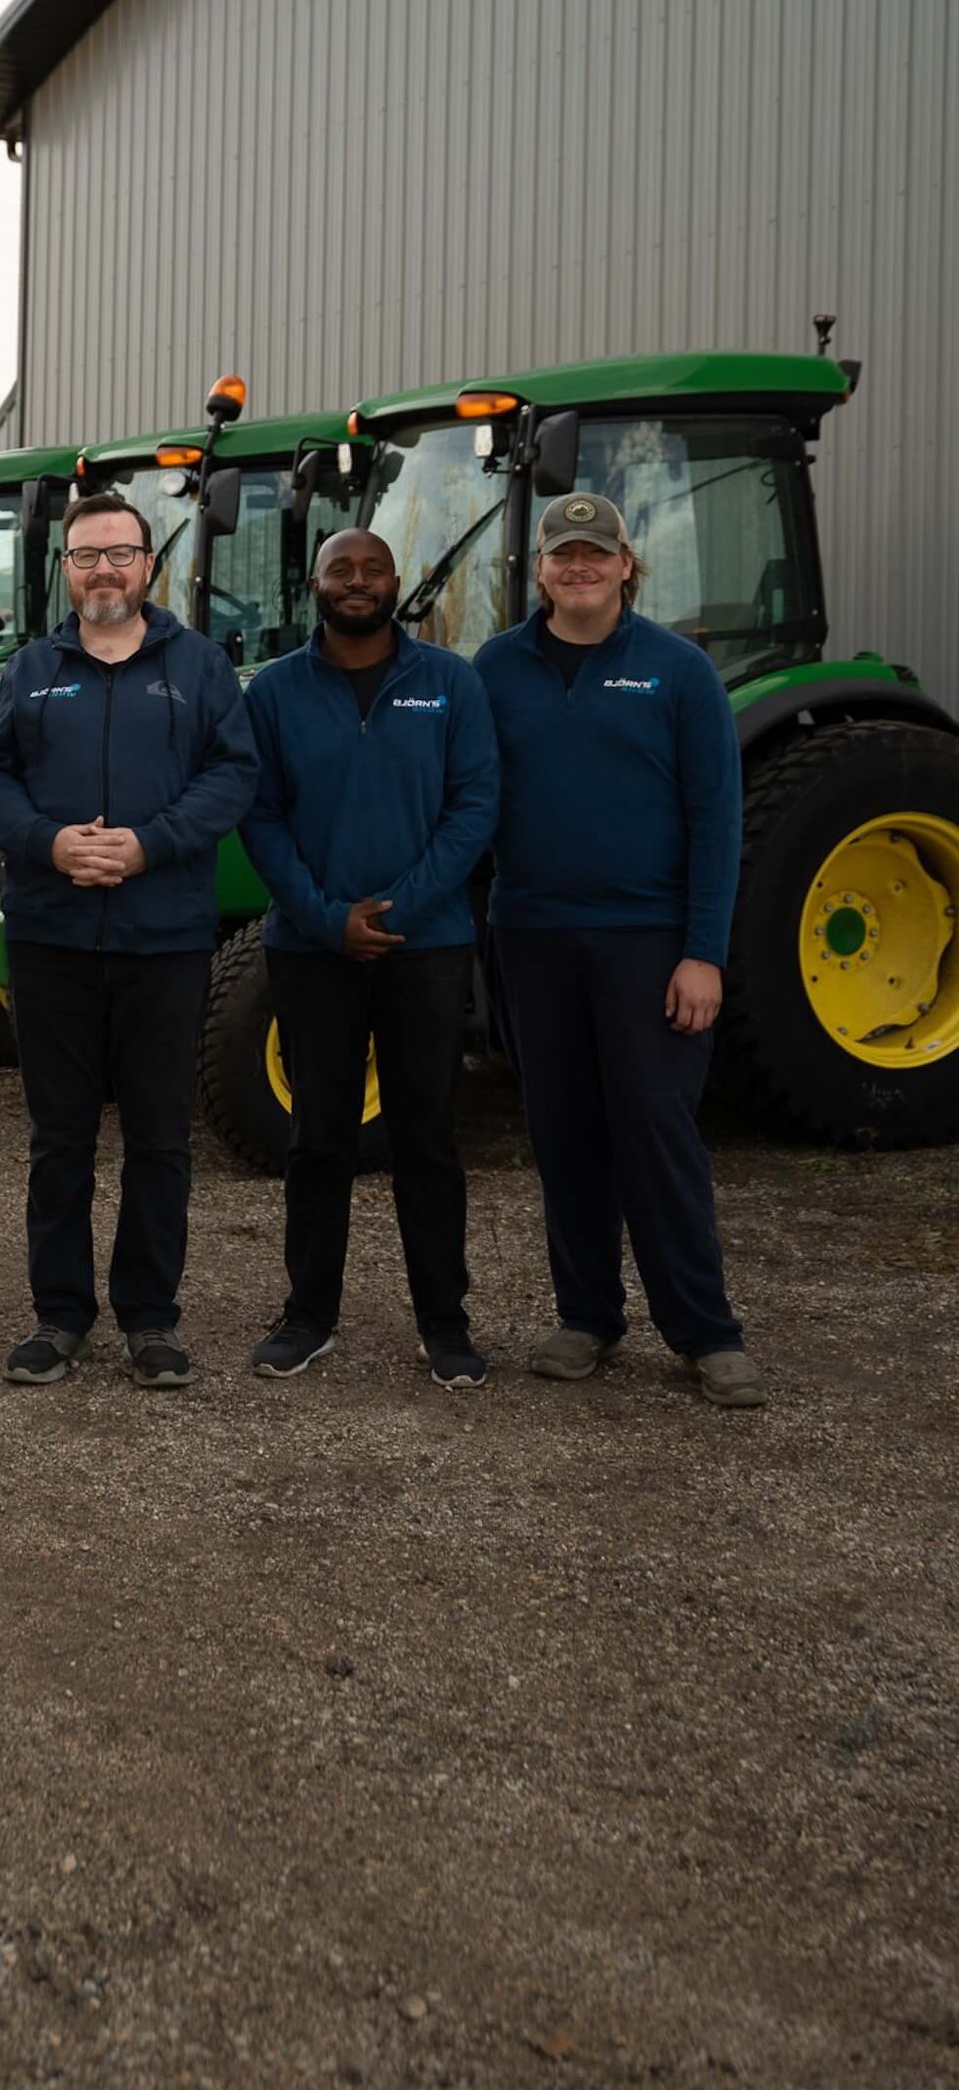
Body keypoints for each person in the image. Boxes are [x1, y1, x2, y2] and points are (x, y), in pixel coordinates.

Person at [475, 492, 768, 1408]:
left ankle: (705, 1332)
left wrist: (704, 953)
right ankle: (587, 1318)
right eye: (564, 555)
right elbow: (468, 800)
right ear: (542, 570)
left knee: (656, 1132)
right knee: (563, 1135)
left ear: (626, 564)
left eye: (596, 553)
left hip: (649, 945)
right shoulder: (495, 668)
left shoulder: (679, 673)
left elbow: (717, 824)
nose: (580, 567)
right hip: (531, 938)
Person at [0, 491, 258, 1390]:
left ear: (148, 565)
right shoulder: (32, 671)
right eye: (86, 556)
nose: (102, 571)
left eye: (119, 554)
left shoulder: (199, 666)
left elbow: (233, 773)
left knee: (161, 1138)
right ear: (67, 570)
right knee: (60, 1138)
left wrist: (148, 844)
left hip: (163, 940)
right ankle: (59, 1316)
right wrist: (48, 843)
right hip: (52, 939)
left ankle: (150, 1317)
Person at [240, 529, 499, 1390]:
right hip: (311, 950)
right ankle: (308, 1316)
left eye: (372, 569)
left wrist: (405, 906)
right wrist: (323, 918)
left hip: (424, 949)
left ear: (397, 582)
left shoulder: (450, 683)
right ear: (314, 584)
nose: (356, 583)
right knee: (319, 1137)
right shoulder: (275, 691)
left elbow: (475, 805)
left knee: (426, 1135)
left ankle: (446, 1323)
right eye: (339, 570)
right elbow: (260, 816)